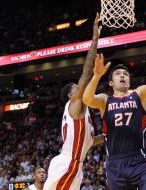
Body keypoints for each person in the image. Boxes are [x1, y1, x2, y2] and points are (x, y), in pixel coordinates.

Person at [82, 21, 146, 190]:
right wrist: (96, 76)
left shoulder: (139, 95)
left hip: (139, 159)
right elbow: (87, 99)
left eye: (125, 74)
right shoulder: (105, 100)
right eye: (118, 74)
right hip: (115, 164)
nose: (123, 76)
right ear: (111, 82)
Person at [43, 13, 104, 190]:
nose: (80, 87)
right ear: (71, 96)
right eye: (76, 88)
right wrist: (94, 39)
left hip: (74, 166)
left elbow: (91, 141)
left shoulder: (84, 118)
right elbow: (86, 73)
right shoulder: (74, 106)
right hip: (68, 164)